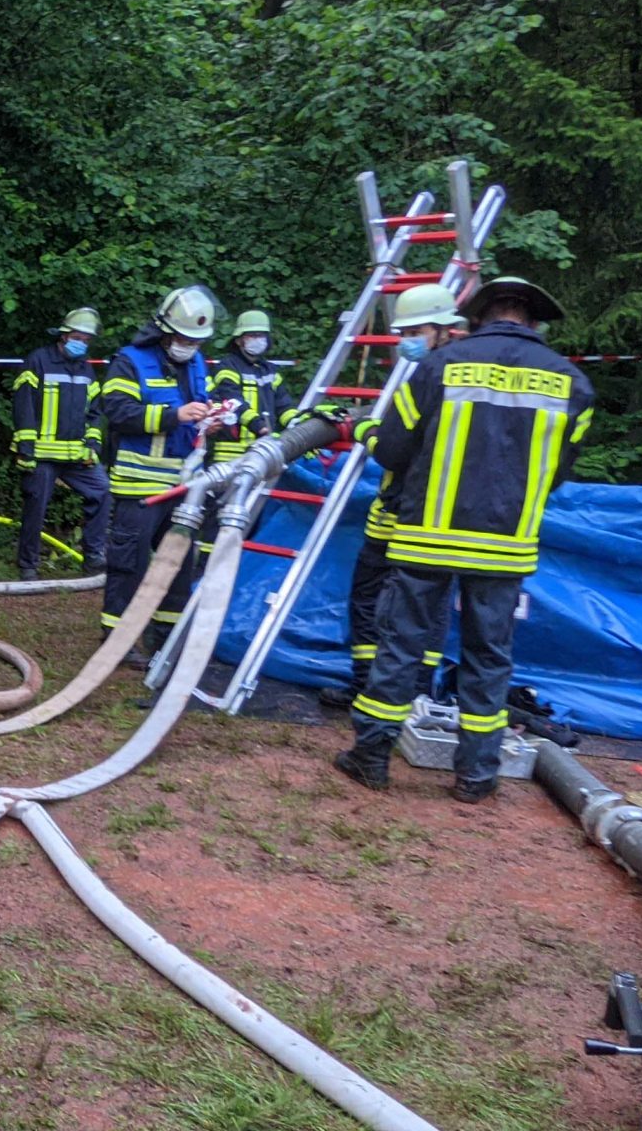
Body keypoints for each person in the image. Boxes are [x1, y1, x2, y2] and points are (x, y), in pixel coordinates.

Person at [336, 275, 594, 803]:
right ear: (536, 322)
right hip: (506, 545)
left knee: (401, 646)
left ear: (475, 317)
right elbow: (558, 473)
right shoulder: (573, 383)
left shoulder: (438, 367)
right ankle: (476, 775)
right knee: (489, 658)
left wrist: (365, 432)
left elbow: (392, 451)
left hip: (425, 538)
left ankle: (371, 757)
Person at [321, 282, 461, 708]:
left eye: (416, 332)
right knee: (432, 607)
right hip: (446, 516)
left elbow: (393, 450)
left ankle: (368, 684)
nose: (407, 341)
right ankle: (417, 692)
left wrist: (364, 430)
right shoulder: (466, 377)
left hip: (401, 513)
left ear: (442, 330)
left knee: (369, 597)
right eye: (404, 333)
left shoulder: (425, 377)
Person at [93, 284, 222, 666]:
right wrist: (174, 416)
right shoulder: (129, 361)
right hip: (140, 485)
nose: (190, 346)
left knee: (178, 565)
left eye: (196, 341)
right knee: (129, 565)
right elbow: (117, 412)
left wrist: (210, 421)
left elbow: (199, 407)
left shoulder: (196, 364)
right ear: (165, 331)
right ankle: (117, 640)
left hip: (184, 485)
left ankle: (165, 637)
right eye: (185, 339)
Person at [11, 308, 111, 581]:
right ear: (64, 335)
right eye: (78, 338)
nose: (82, 344)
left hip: (76, 457)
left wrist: (92, 444)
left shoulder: (86, 368)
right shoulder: (38, 360)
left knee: (102, 491)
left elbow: (95, 411)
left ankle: (94, 556)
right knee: (36, 508)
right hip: (41, 456)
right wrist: (26, 450)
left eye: (87, 340)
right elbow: (23, 407)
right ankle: (28, 566)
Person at [206, 309, 286, 465]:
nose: (257, 340)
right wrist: (260, 426)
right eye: (252, 335)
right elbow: (233, 401)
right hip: (229, 455)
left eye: (261, 335)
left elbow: (284, 405)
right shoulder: (227, 367)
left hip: (262, 453)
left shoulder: (270, 370)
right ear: (238, 340)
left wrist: (297, 423)